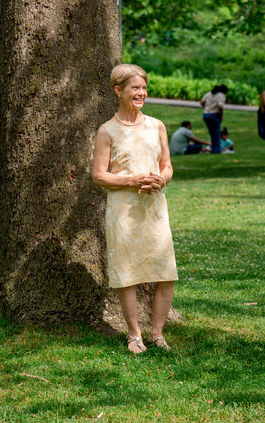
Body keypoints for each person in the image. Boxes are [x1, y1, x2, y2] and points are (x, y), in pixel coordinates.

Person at [92, 64, 178, 354]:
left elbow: (167, 166)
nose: (141, 93)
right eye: (134, 88)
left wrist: (160, 179)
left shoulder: (157, 126)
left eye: (143, 88)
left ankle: (157, 333)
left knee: (165, 272)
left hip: (154, 208)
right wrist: (131, 180)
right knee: (126, 272)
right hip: (123, 211)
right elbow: (98, 176)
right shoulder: (107, 131)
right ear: (118, 91)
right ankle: (134, 334)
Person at [200, 84, 228, 154]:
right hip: (214, 115)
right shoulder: (221, 95)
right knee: (216, 133)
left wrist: (206, 108)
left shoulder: (208, 93)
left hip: (206, 114)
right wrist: (221, 115)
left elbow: (202, 102)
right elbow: (220, 106)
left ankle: (213, 149)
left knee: (212, 133)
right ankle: (217, 149)